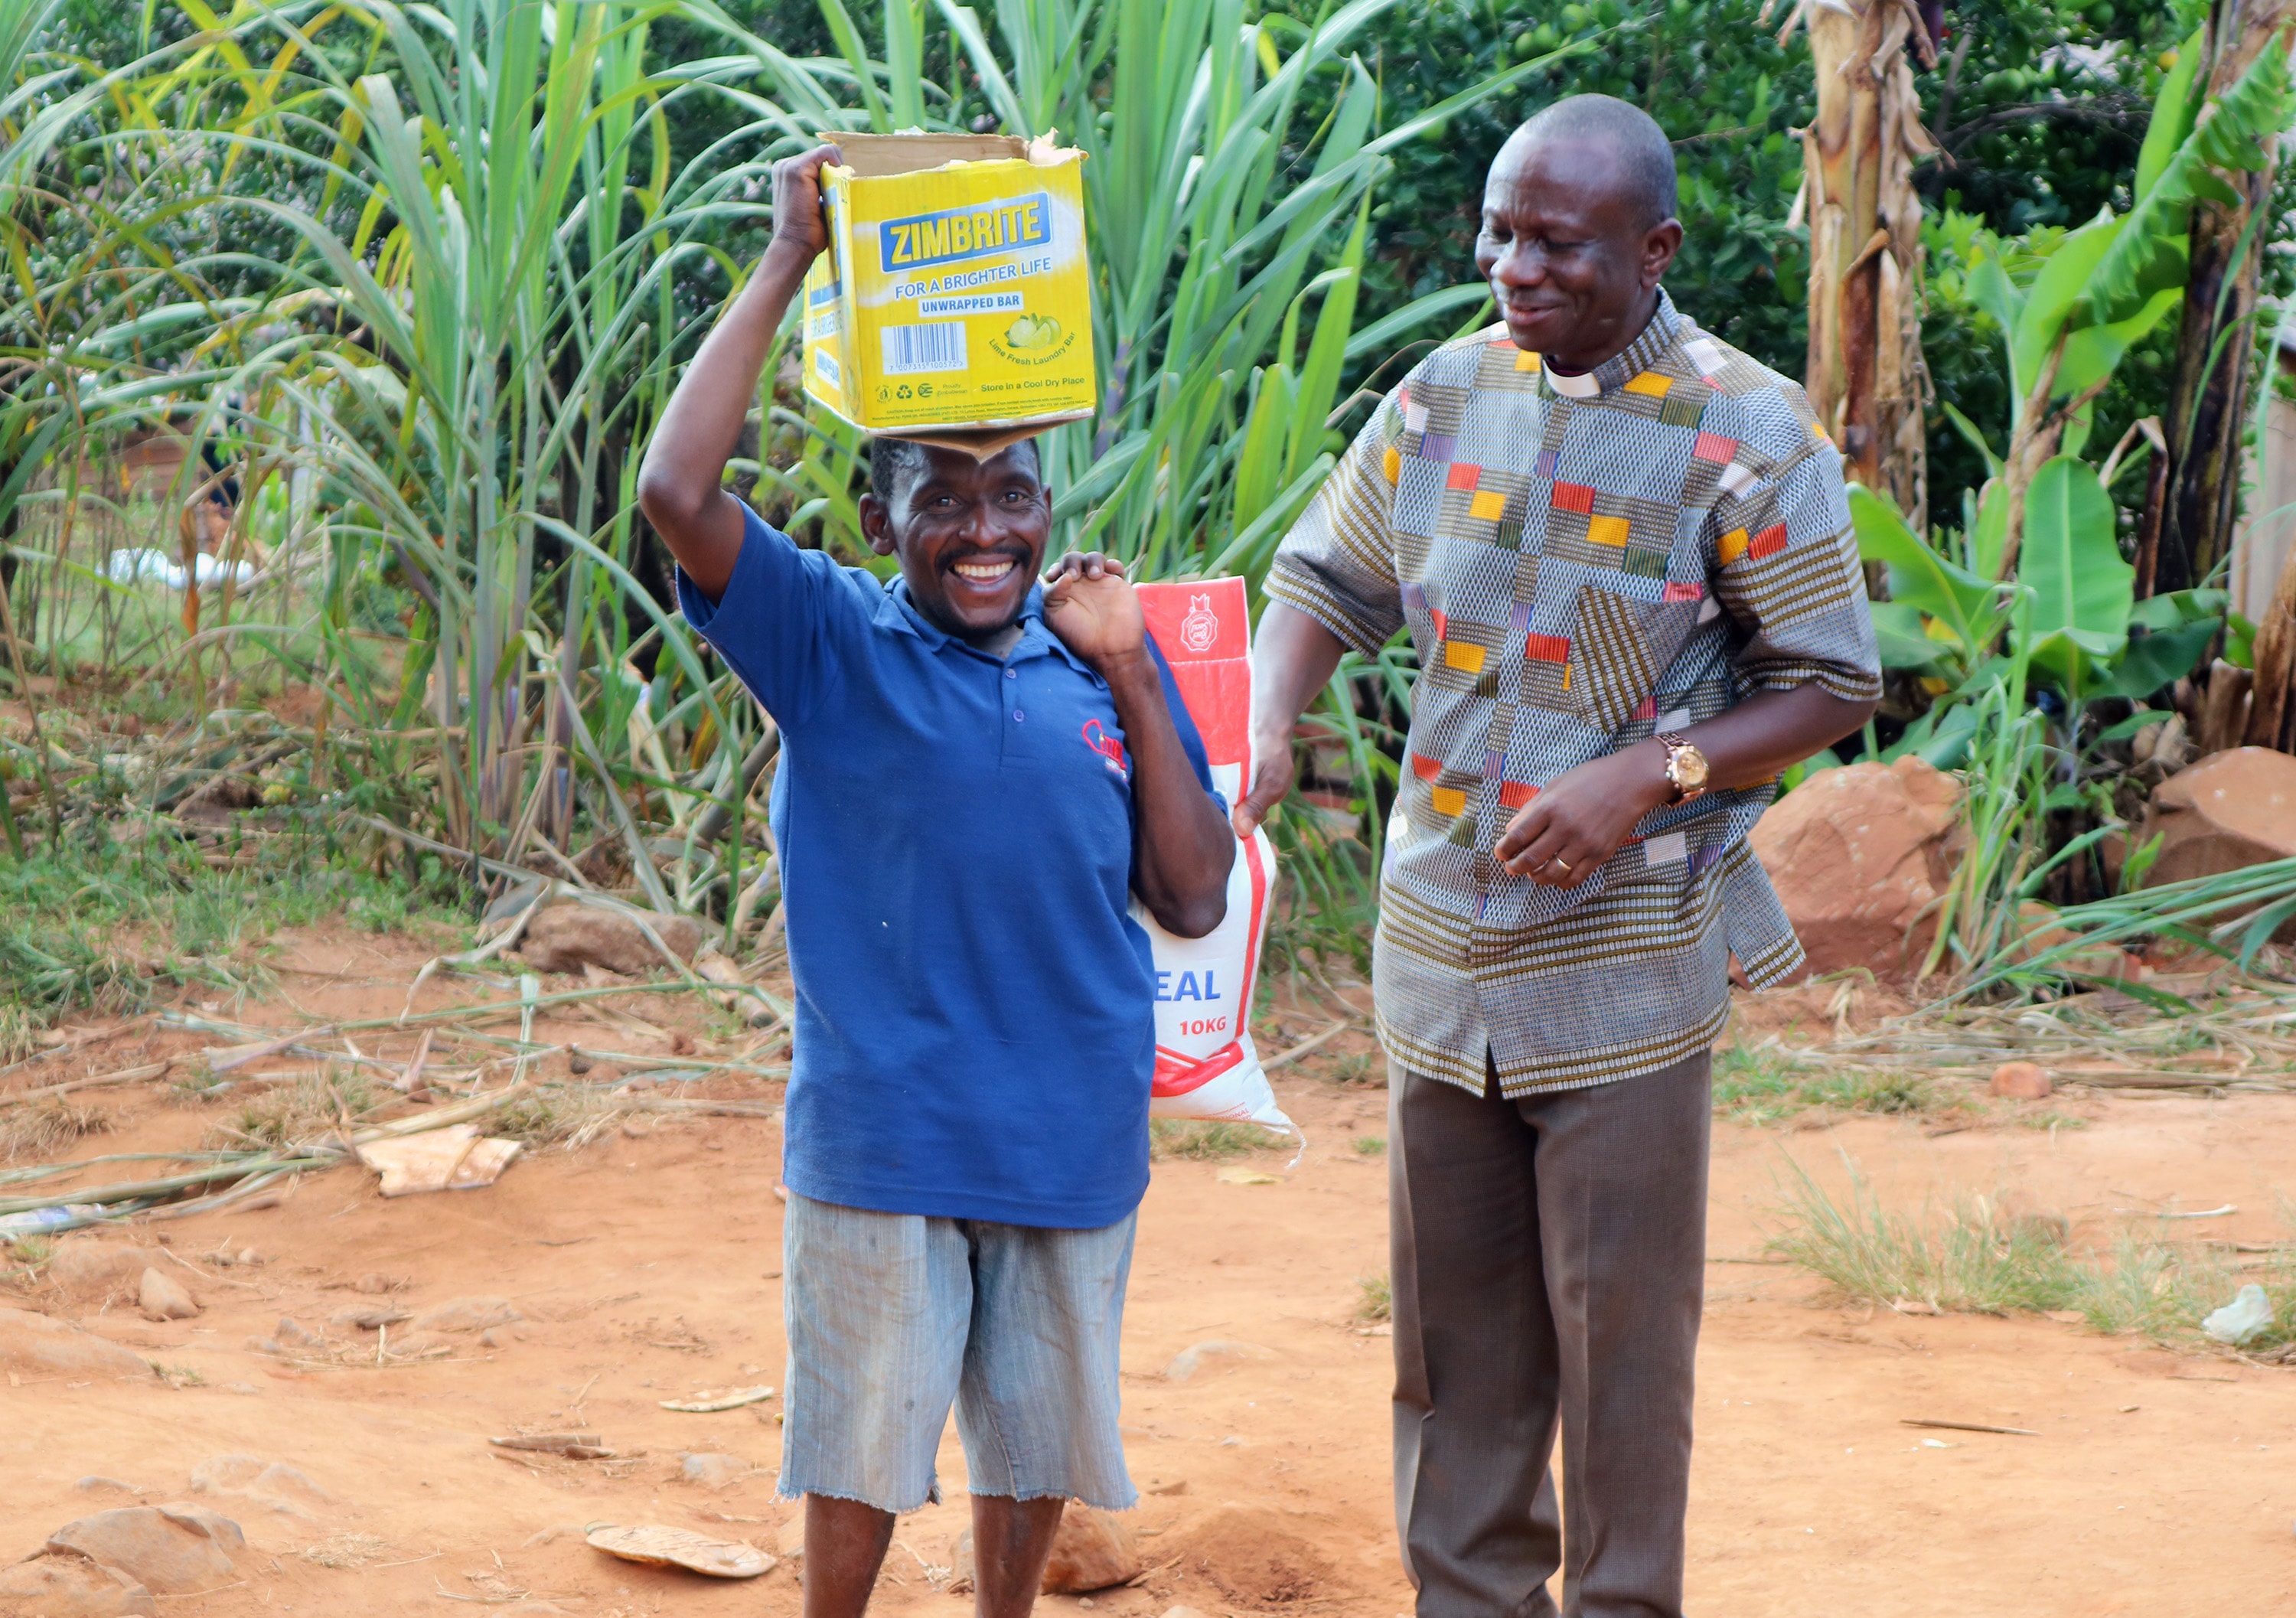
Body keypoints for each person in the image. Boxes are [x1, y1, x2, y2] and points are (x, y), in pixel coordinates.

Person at [1234, 96, 1883, 1618]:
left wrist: (1644, 777)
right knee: (1455, 1365)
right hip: (1438, 964)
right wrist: (1270, 715)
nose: (1515, 267)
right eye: (1501, 231)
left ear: (1654, 249)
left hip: (1623, 978)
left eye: (1558, 243)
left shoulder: (1747, 429)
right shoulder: (1441, 395)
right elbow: (1321, 579)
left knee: (1620, 1357)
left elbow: (1833, 682)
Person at [636, 144, 1235, 1618]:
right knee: (860, 1439)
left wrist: (1133, 675)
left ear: (1046, 504)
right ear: (878, 516)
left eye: (1012, 493)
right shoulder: (829, 639)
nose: (987, 531)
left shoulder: (1103, 650)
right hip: (887, 1125)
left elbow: (1197, 895)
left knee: (1037, 1435)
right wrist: (792, 257)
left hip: (1067, 1126)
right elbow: (672, 485)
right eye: (944, 498)